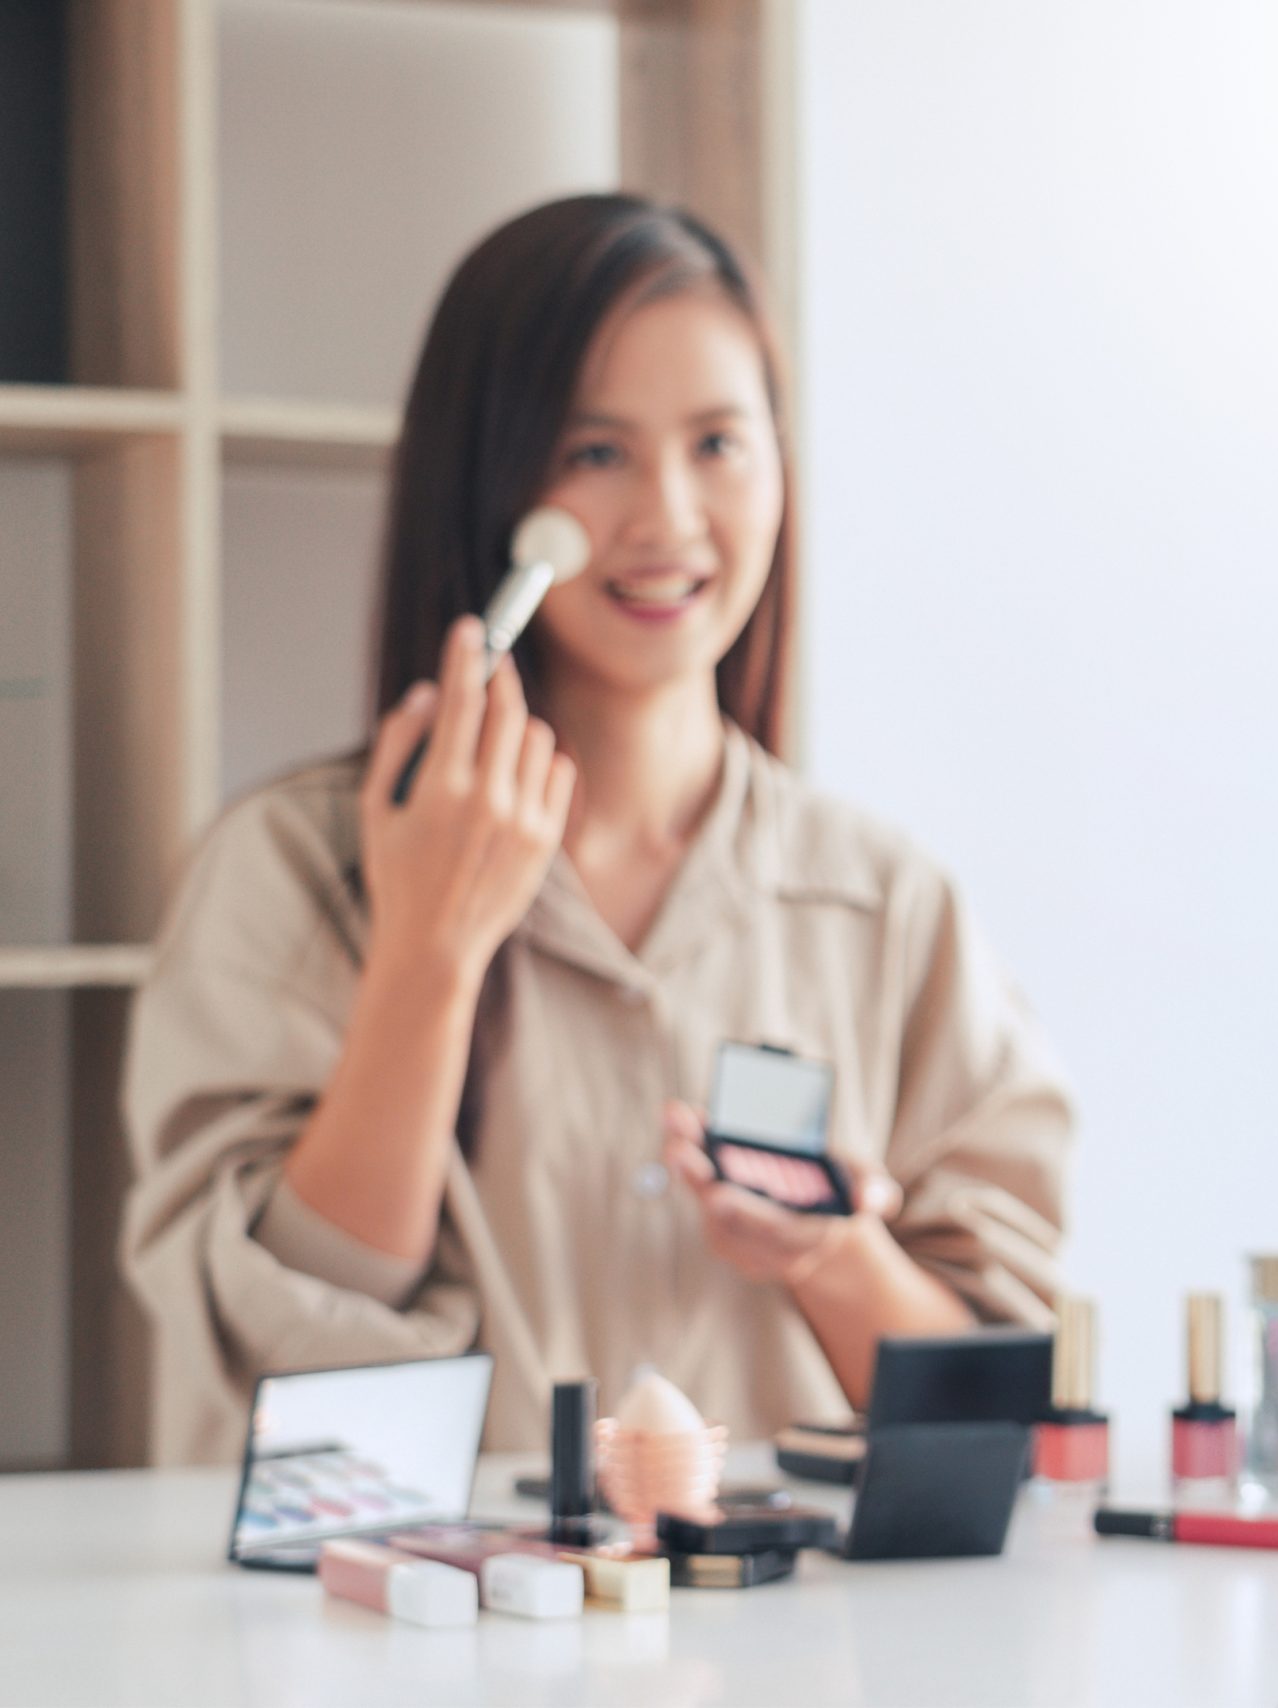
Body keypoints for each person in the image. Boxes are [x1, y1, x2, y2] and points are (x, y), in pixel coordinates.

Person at [121, 195, 1073, 1464]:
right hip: (422, 1649)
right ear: (492, 481)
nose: (669, 516)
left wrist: (834, 1255)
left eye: (720, 445)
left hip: (791, 1657)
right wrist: (429, 955)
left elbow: (996, 1404)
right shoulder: (290, 872)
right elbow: (281, 1355)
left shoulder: (886, 902)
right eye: (594, 452)